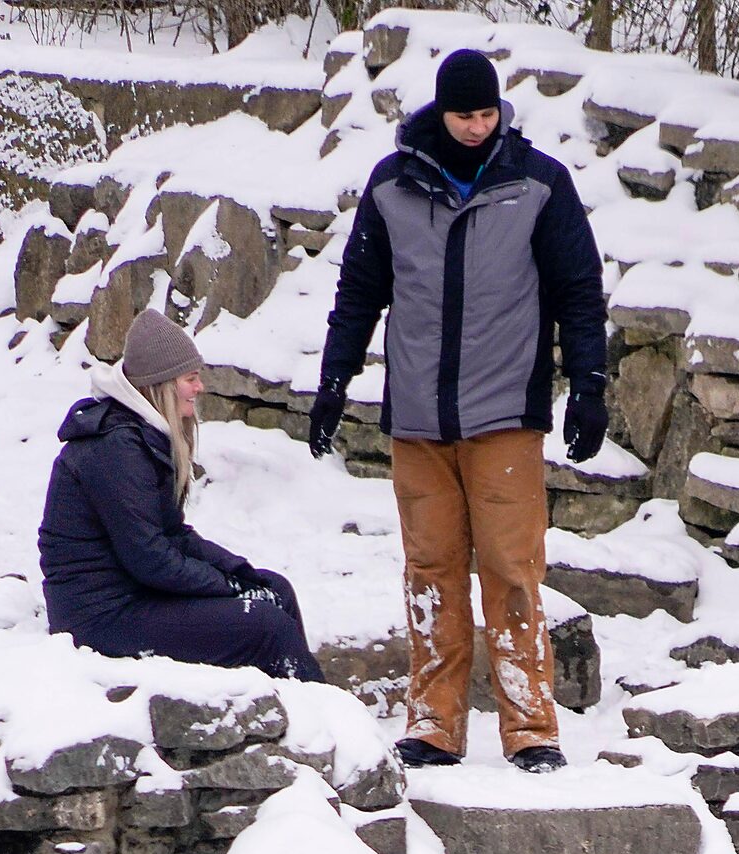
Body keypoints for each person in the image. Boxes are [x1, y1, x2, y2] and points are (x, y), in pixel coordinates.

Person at [309, 47, 609, 775]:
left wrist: (591, 383)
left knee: (510, 568)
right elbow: (359, 289)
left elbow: (578, 287)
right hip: (417, 414)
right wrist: (335, 378)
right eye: (463, 114)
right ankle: (434, 724)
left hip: (505, 410)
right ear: (440, 113)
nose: (476, 127)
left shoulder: (538, 184)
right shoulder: (392, 186)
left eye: (486, 113)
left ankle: (532, 727)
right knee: (431, 571)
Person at [39, 309, 321, 683]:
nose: (199, 388)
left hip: (134, 595)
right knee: (264, 624)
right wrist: (228, 589)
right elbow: (150, 558)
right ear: (162, 385)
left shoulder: (140, 434)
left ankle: (309, 714)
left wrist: (241, 574)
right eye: (190, 379)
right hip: (99, 619)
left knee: (275, 591)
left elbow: (174, 534)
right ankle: (322, 724)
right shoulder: (115, 447)